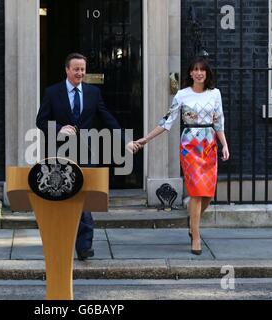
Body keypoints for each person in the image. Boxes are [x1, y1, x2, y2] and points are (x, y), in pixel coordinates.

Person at [36, 53, 140, 260]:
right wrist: (58, 129)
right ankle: (61, 240)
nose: (80, 73)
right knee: (63, 198)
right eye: (76, 69)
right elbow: (40, 121)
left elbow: (107, 118)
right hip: (60, 153)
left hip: (85, 151)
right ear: (67, 70)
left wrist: (125, 141)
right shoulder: (53, 92)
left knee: (83, 197)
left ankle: (84, 246)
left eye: (83, 69)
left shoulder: (93, 92)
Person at [134, 57, 230, 255]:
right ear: (190, 73)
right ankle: (195, 236)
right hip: (190, 146)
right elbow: (167, 121)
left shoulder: (215, 94)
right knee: (195, 192)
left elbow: (218, 121)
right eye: (195, 69)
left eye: (202, 70)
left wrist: (224, 145)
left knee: (208, 194)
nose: (198, 73)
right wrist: (146, 139)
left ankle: (192, 219)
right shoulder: (182, 95)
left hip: (209, 144)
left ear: (207, 73)